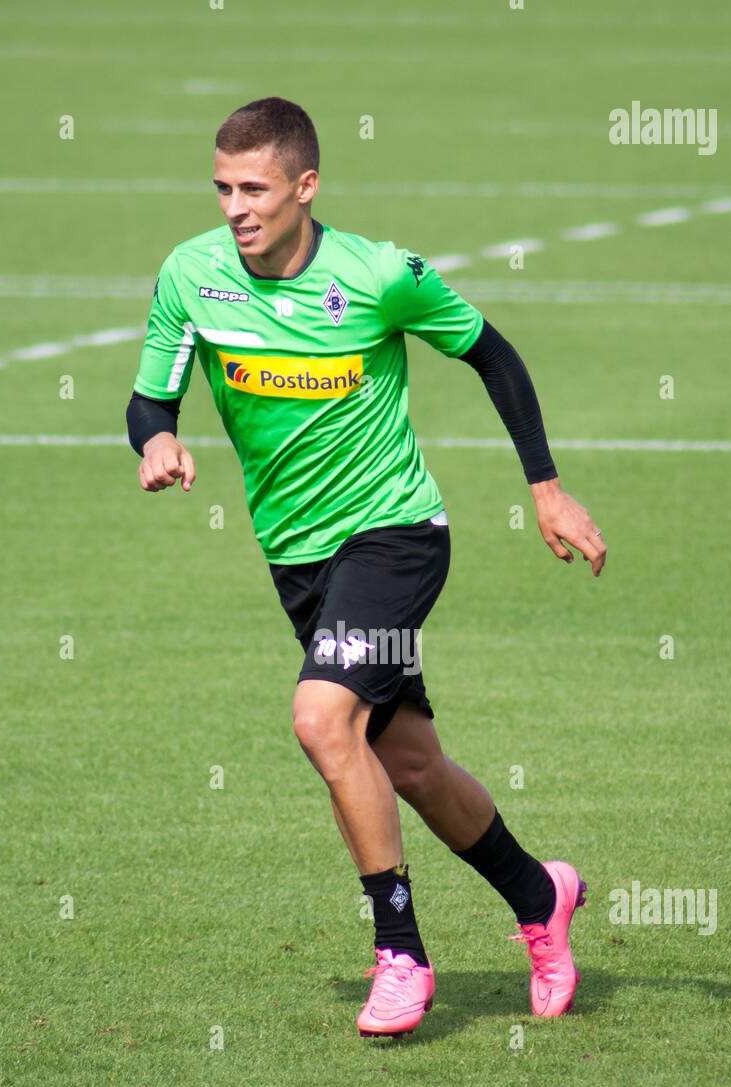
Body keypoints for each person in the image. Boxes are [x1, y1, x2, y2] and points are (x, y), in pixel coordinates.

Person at [126, 96, 606, 1038]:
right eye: (222, 186)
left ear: (306, 187)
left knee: (320, 718)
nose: (235, 205)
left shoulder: (379, 275)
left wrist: (546, 488)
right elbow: (150, 397)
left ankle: (400, 952)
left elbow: (492, 353)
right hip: (297, 557)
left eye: (254, 187)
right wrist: (158, 442)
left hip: (394, 536)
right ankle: (538, 894)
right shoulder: (193, 274)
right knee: (413, 764)